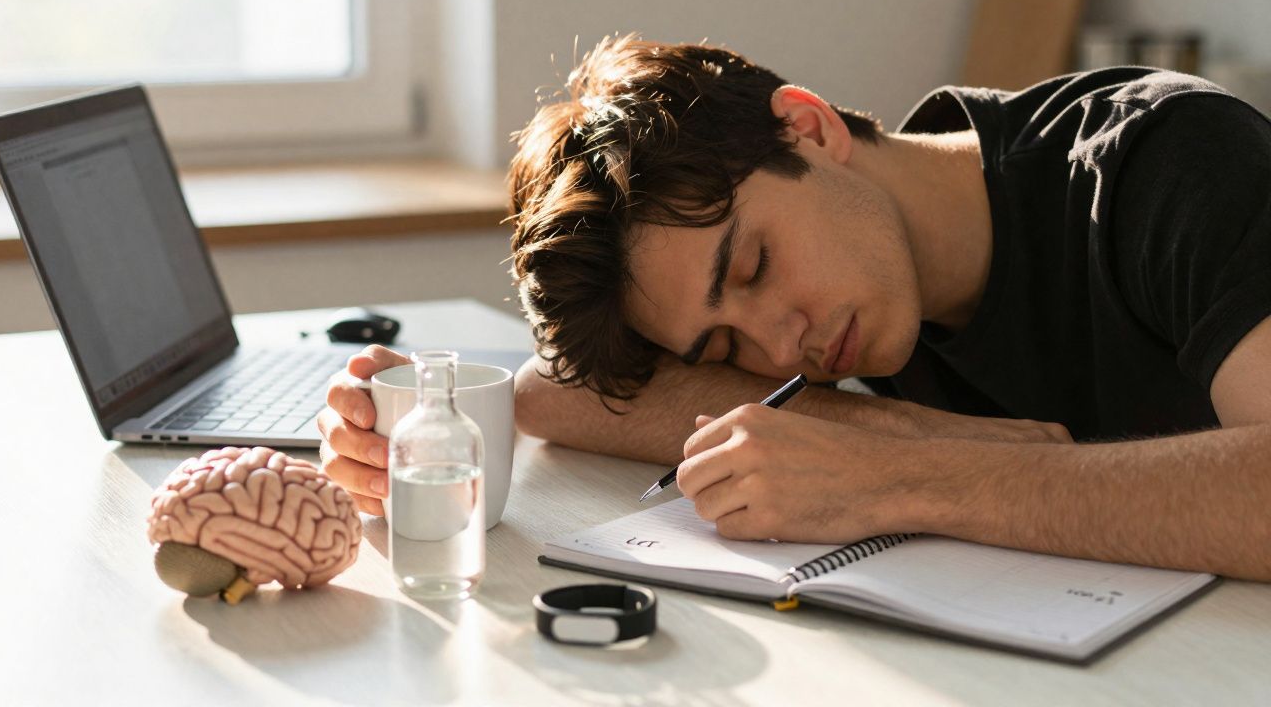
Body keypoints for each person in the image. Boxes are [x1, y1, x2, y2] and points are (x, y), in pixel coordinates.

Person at [318, 35, 1271, 581]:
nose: (784, 345)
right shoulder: (853, 278)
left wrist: (902, 472)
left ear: (808, 127)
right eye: (724, 340)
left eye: (757, 265)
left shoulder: (1165, 164)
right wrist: (889, 424)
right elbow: (557, 389)